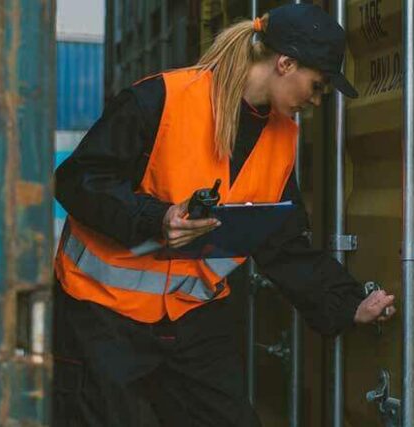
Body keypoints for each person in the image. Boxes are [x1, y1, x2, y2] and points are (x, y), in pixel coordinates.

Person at [51, 4, 396, 426]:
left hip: (190, 317)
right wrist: (155, 218)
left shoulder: (281, 136)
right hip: (102, 314)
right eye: (319, 85)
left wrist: (346, 304)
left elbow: (282, 242)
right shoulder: (160, 99)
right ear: (285, 63)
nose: (318, 100)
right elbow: (78, 180)